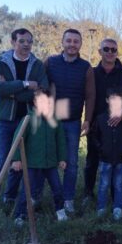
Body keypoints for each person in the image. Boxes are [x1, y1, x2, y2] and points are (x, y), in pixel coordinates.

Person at [0, 28, 48, 214]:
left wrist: (10, 91)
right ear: (13, 42)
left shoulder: (36, 64)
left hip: (26, 120)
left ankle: (10, 196)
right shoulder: (1, 61)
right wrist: (25, 85)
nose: (26, 45)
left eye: (29, 41)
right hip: (5, 120)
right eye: (22, 41)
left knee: (20, 163)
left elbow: (42, 88)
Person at [83, 38, 122, 206]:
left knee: (117, 163)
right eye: (106, 49)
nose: (109, 52)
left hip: (119, 128)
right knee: (92, 160)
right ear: (99, 52)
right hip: (96, 126)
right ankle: (88, 194)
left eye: (113, 50)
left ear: (117, 52)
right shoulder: (91, 73)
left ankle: (116, 196)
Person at [44, 28, 95, 215]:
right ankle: (37, 197)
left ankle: (67, 199)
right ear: (62, 42)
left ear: (80, 44)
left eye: (76, 41)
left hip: (73, 122)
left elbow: (90, 96)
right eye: (69, 41)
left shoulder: (86, 67)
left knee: (71, 163)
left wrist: (87, 120)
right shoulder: (50, 62)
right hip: (50, 121)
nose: (72, 44)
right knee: (47, 160)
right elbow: (40, 86)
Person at [11, 94, 68, 226]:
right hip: (32, 163)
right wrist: (16, 159)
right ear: (35, 103)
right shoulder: (28, 119)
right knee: (28, 189)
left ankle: (60, 211)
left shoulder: (55, 120)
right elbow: (17, 139)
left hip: (51, 163)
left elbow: (61, 141)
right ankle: (20, 215)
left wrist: (62, 158)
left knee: (57, 188)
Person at [91, 92, 122, 220]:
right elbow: (94, 135)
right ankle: (101, 207)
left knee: (118, 183)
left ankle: (118, 207)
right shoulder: (101, 118)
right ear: (107, 100)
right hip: (105, 158)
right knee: (104, 184)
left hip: (121, 158)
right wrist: (101, 149)